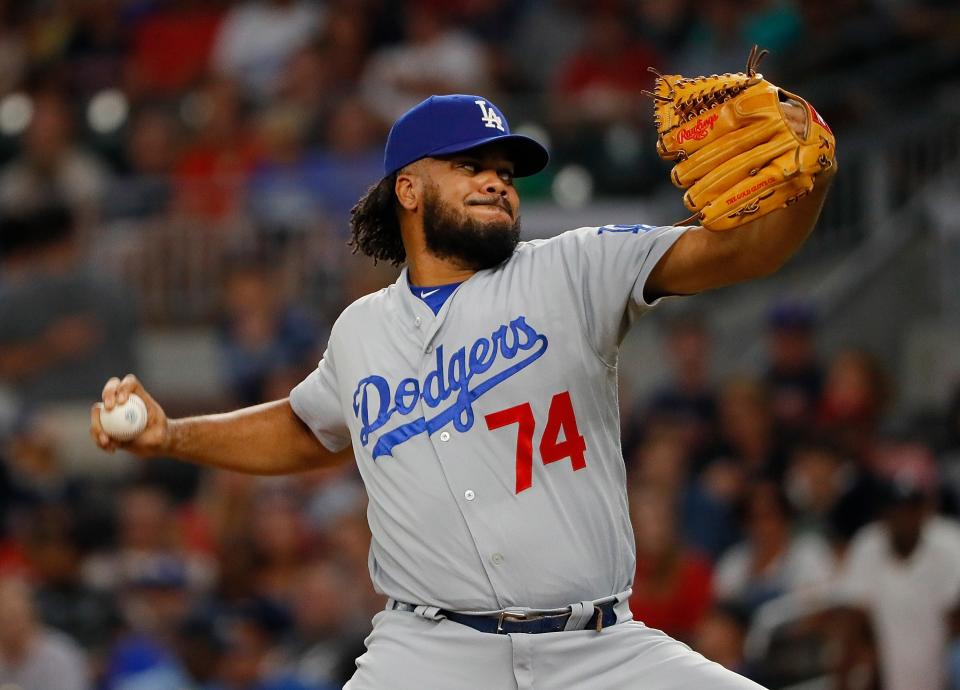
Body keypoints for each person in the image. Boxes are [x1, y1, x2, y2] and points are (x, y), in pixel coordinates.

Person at [91, 93, 835, 688]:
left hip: (601, 652)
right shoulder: (361, 331)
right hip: (428, 653)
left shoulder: (573, 269)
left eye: (506, 172)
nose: (495, 180)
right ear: (408, 189)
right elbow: (305, 427)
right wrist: (171, 435)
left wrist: (813, 178)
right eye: (470, 164)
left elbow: (743, 247)